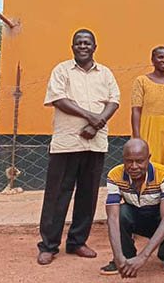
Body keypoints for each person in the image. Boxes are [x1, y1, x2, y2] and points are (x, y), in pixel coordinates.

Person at [37, 29, 120, 266]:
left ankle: (77, 242)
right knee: (57, 195)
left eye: (87, 43)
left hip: (95, 143)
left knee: (88, 194)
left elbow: (114, 101)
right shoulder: (61, 70)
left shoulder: (105, 74)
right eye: (78, 43)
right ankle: (48, 245)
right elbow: (58, 99)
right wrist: (91, 117)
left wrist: (97, 124)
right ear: (72, 47)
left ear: (95, 47)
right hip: (66, 143)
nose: (83, 46)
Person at [100, 138, 164, 276]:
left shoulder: (163, 174)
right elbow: (113, 218)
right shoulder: (114, 175)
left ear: (148, 158)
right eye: (128, 161)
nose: (133, 166)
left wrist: (143, 257)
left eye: (139, 161)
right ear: (123, 159)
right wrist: (118, 256)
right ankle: (125, 259)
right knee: (121, 213)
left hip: (158, 220)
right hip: (136, 217)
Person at [131, 46, 164, 172]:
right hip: (146, 128)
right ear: (152, 60)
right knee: (145, 163)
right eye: (160, 57)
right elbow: (136, 110)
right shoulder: (141, 81)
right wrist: (137, 138)